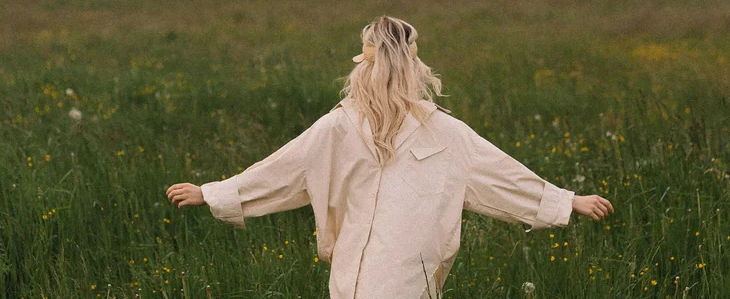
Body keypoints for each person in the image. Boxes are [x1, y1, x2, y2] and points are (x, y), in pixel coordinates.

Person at [166, 15, 614, 298]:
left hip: (402, 272)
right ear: (415, 68)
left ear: (365, 66)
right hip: (361, 271)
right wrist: (214, 193)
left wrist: (564, 200)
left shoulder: (439, 130)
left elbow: (498, 173)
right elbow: (285, 169)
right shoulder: (341, 126)